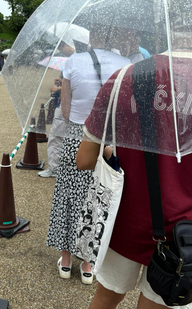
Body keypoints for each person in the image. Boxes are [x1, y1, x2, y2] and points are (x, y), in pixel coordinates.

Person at [76, 0, 192, 308]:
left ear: (166, 16)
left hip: (123, 227)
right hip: (186, 241)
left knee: (104, 300)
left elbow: (84, 159)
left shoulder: (124, 79)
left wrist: (114, 152)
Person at [46, 24, 130, 285]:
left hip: (77, 135)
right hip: (109, 140)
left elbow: (67, 108)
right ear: (113, 34)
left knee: (68, 194)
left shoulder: (74, 61)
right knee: (98, 199)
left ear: (91, 36)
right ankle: (87, 263)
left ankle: (66, 260)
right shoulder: (126, 64)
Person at [38, 41, 76, 178]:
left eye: (62, 46)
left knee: (56, 137)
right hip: (76, 108)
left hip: (65, 105)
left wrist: (58, 88)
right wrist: (62, 82)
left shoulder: (75, 61)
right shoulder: (87, 61)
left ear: (71, 45)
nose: (62, 49)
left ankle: (54, 168)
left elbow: (74, 87)